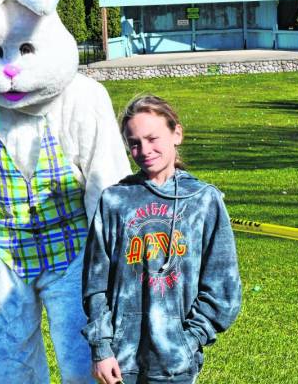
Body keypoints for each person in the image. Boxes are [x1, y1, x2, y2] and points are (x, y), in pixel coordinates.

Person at [82, 95, 242, 384]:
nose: (144, 150)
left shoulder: (203, 200)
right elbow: (95, 286)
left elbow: (223, 288)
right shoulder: (114, 200)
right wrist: (101, 348)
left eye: (153, 138)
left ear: (176, 133)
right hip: (119, 360)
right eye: (134, 142)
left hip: (174, 364)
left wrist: (187, 341)